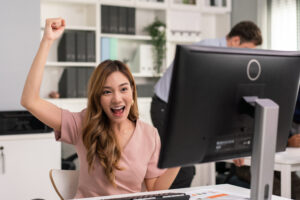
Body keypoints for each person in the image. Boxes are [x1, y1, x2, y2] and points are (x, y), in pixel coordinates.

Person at [21, 18, 180, 199]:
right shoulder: (82, 124)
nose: (117, 99)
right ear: (97, 98)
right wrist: (47, 40)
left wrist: (179, 159)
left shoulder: (149, 135)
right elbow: (30, 100)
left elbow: (154, 189)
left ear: (132, 93)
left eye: (123, 89)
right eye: (107, 92)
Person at [151, 21, 262, 189]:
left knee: (187, 170)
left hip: (184, 112)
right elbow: (208, 98)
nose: (247, 56)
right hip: (166, 108)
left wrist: (233, 145)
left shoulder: (228, 59)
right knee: (183, 170)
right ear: (236, 40)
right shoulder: (209, 50)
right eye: (247, 49)